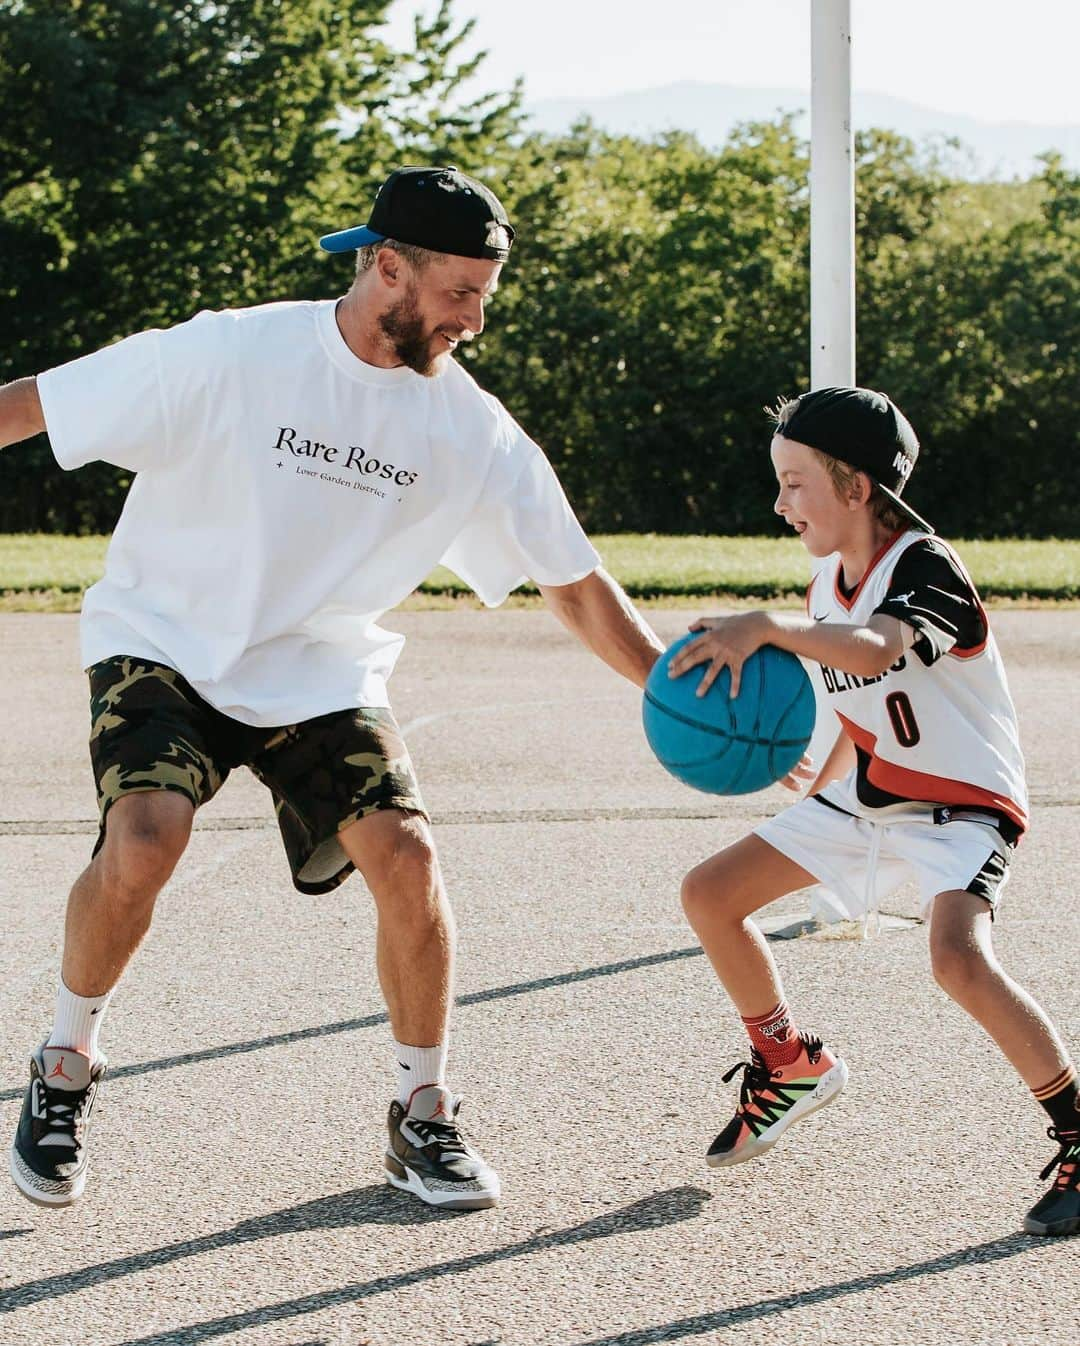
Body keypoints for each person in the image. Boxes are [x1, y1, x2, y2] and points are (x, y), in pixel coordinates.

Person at [0, 165, 664, 1212]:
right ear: (388, 268)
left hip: (319, 667)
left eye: (485, 296)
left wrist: (668, 684)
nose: (473, 321)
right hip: (164, 639)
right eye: (459, 294)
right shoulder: (234, 351)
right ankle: (63, 1062)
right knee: (143, 838)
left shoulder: (470, 428)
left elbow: (575, 583)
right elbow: (37, 404)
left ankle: (423, 1112)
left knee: (409, 854)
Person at [668, 387, 1078, 1238]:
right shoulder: (828, 578)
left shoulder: (926, 565)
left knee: (958, 960)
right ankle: (788, 1064)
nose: (779, 504)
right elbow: (866, 697)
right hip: (871, 792)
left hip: (963, 806)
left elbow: (880, 648)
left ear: (855, 487)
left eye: (794, 483)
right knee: (711, 894)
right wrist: (825, 771)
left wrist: (771, 628)